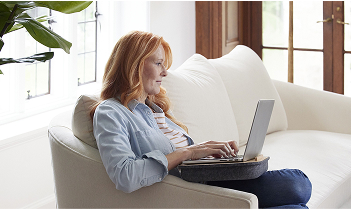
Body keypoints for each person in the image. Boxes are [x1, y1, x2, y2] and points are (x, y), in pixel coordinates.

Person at [91, 30, 312, 208]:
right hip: (197, 191)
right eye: (158, 63)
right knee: (298, 185)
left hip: (209, 178)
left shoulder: (156, 110)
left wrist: (208, 155)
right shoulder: (111, 113)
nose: (165, 73)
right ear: (134, 66)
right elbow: (125, 175)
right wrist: (189, 152)